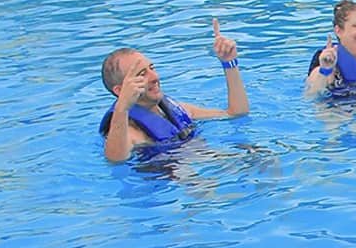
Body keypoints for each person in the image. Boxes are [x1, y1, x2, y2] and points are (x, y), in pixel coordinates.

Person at [99, 19, 249, 163]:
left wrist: (229, 63)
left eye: (152, 68)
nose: (155, 77)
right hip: (169, 173)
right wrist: (122, 107)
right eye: (142, 74)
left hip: (202, 158)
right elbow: (115, 159)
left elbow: (235, 113)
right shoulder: (132, 131)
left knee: (254, 156)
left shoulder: (174, 109)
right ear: (120, 90)